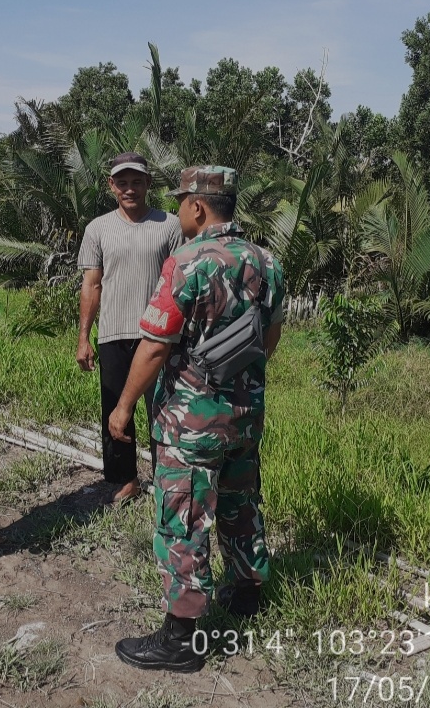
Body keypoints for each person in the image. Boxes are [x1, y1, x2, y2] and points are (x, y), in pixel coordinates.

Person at [107, 165, 286, 672]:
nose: (180, 208)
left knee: (183, 516)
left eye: (182, 200)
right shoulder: (267, 261)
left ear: (198, 206)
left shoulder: (186, 263)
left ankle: (182, 637)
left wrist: (123, 407)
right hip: (245, 415)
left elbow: (154, 345)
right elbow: (270, 337)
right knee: (239, 501)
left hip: (191, 423)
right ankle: (249, 591)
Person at [77, 152, 184, 503]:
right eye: (122, 182)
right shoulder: (98, 229)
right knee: (115, 409)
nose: (130, 189)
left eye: (136, 181)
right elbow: (92, 285)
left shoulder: (169, 226)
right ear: (111, 186)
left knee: (163, 408)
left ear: (148, 184)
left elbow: (179, 282)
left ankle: (165, 478)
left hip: (157, 336)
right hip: (112, 333)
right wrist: (84, 339)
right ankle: (125, 479)